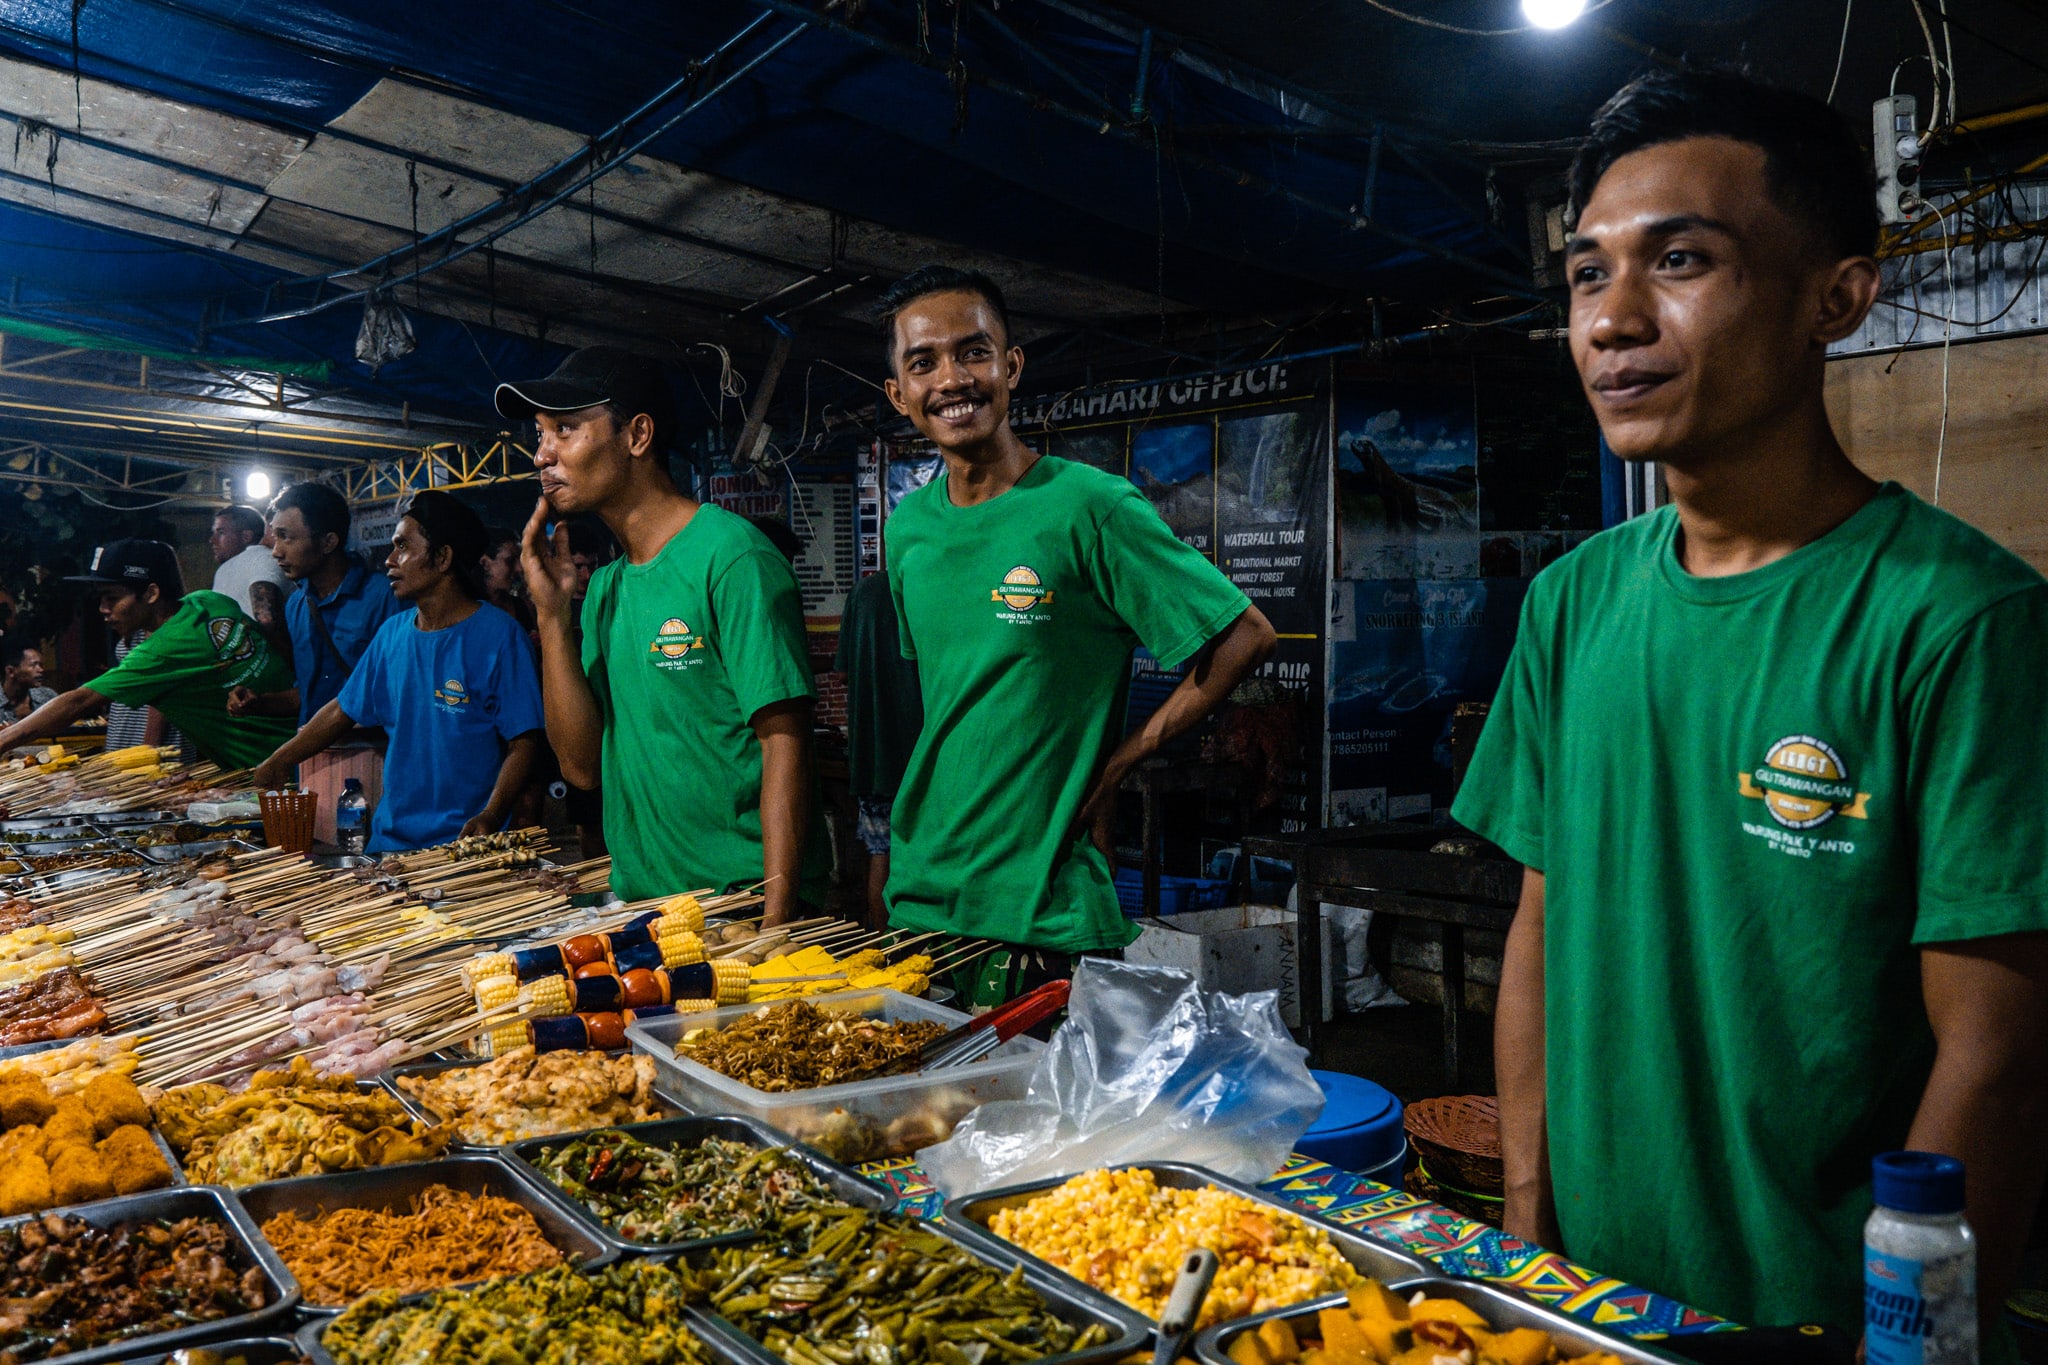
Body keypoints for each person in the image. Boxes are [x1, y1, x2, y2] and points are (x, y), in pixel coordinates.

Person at [1450, 68, 2048, 1356]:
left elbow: (1996, 1055)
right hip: (1595, 1304)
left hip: (1821, 1318)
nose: (1612, 320)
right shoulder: (1569, 604)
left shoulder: (1957, 621)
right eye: (1583, 275)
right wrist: (1525, 1232)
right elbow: (1539, 935)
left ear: (1835, 296)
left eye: (1678, 260)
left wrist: (1911, 1341)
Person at [877, 266, 1276, 982]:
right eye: (923, 362)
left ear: (1011, 366)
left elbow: (1244, 635)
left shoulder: (1089, 506)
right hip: (924, 896)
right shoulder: (908, 531)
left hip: (1043, 911)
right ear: (899, 394)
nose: (953, 378)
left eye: (974, 352)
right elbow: (954, 704)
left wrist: (1120, 760)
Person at [502, 346, 825, 925]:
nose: (542, 454)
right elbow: (579, 768)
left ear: (637, 435)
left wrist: (777, 921)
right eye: (541, 433)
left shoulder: (732, 557)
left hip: (740, 902)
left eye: (565, 429)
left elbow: (786, 744)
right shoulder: (605, 588)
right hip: (651, 905)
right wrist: (552, 619)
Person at [253, 492, 545, 851]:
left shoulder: (499, 635)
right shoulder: (393, 634)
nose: (390, 560)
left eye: (403, 546)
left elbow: (524, 742)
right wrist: (281, 759)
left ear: (442, 558)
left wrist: (491, 813)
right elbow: (342, 709)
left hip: (463, 845)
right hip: (390, 843)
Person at [0, 540, 293, 768]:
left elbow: (79, 700)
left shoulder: (161, 650)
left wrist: (4, 740)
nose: (103, 609)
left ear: (151, 594)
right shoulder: (209, 600)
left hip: (272, 765)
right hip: (298, 741)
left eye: (112, 598)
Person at [261, 481, 401, 725]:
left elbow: (401, 690)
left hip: (370, 754)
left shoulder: (383, 598)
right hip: (313, 758)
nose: (276, 551)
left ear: (328, 542)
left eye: (285, 537)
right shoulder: (296, 605)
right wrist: (260, 703)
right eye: (275, 537)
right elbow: (306, 696)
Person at [833, 573, 922, 928]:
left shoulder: (864, 591)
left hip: (873, 755)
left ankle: (883, 946)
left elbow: (841, 674)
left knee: (880, 855)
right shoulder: (927, 582)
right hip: (922, 756)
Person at [207, 504, 291, 653]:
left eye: (221, 533)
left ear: (246, 536)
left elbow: (266, 617)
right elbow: (266, 617)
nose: (212, 540)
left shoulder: (261, 557)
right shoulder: (225, 570)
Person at [0, 643, 56, 726]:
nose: (41, 670)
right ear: (10, 671)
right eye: (33, 665)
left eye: (40, 665)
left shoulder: (47, 697)